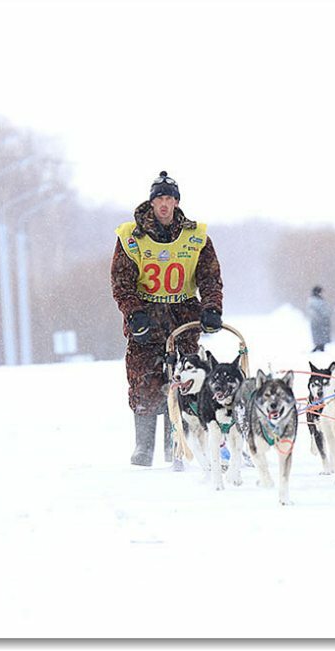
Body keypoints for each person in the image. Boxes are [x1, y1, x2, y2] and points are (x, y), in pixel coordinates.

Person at [110, 171, 224, 467]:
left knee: (185, 382)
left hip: (183, 320)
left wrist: (212, 308)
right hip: (145, 322)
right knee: (144, 382)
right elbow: (121, 283)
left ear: (176, 202)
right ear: (152, 202)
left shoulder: (196, 237)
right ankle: (144, 448)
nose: (164, 204)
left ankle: (177, 446)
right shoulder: (130, 238)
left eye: (169, 198)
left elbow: (210, 278)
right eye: (159, 198)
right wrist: (133, 313)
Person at [306, 285, 331, 352]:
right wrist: (318, 318)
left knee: (322, 334)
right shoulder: (313, 301)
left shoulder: (318, 300)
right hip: (317, 322)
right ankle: (318, 346)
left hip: (322, 321)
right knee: (319, 334)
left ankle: (321, 346)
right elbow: (312, 312)